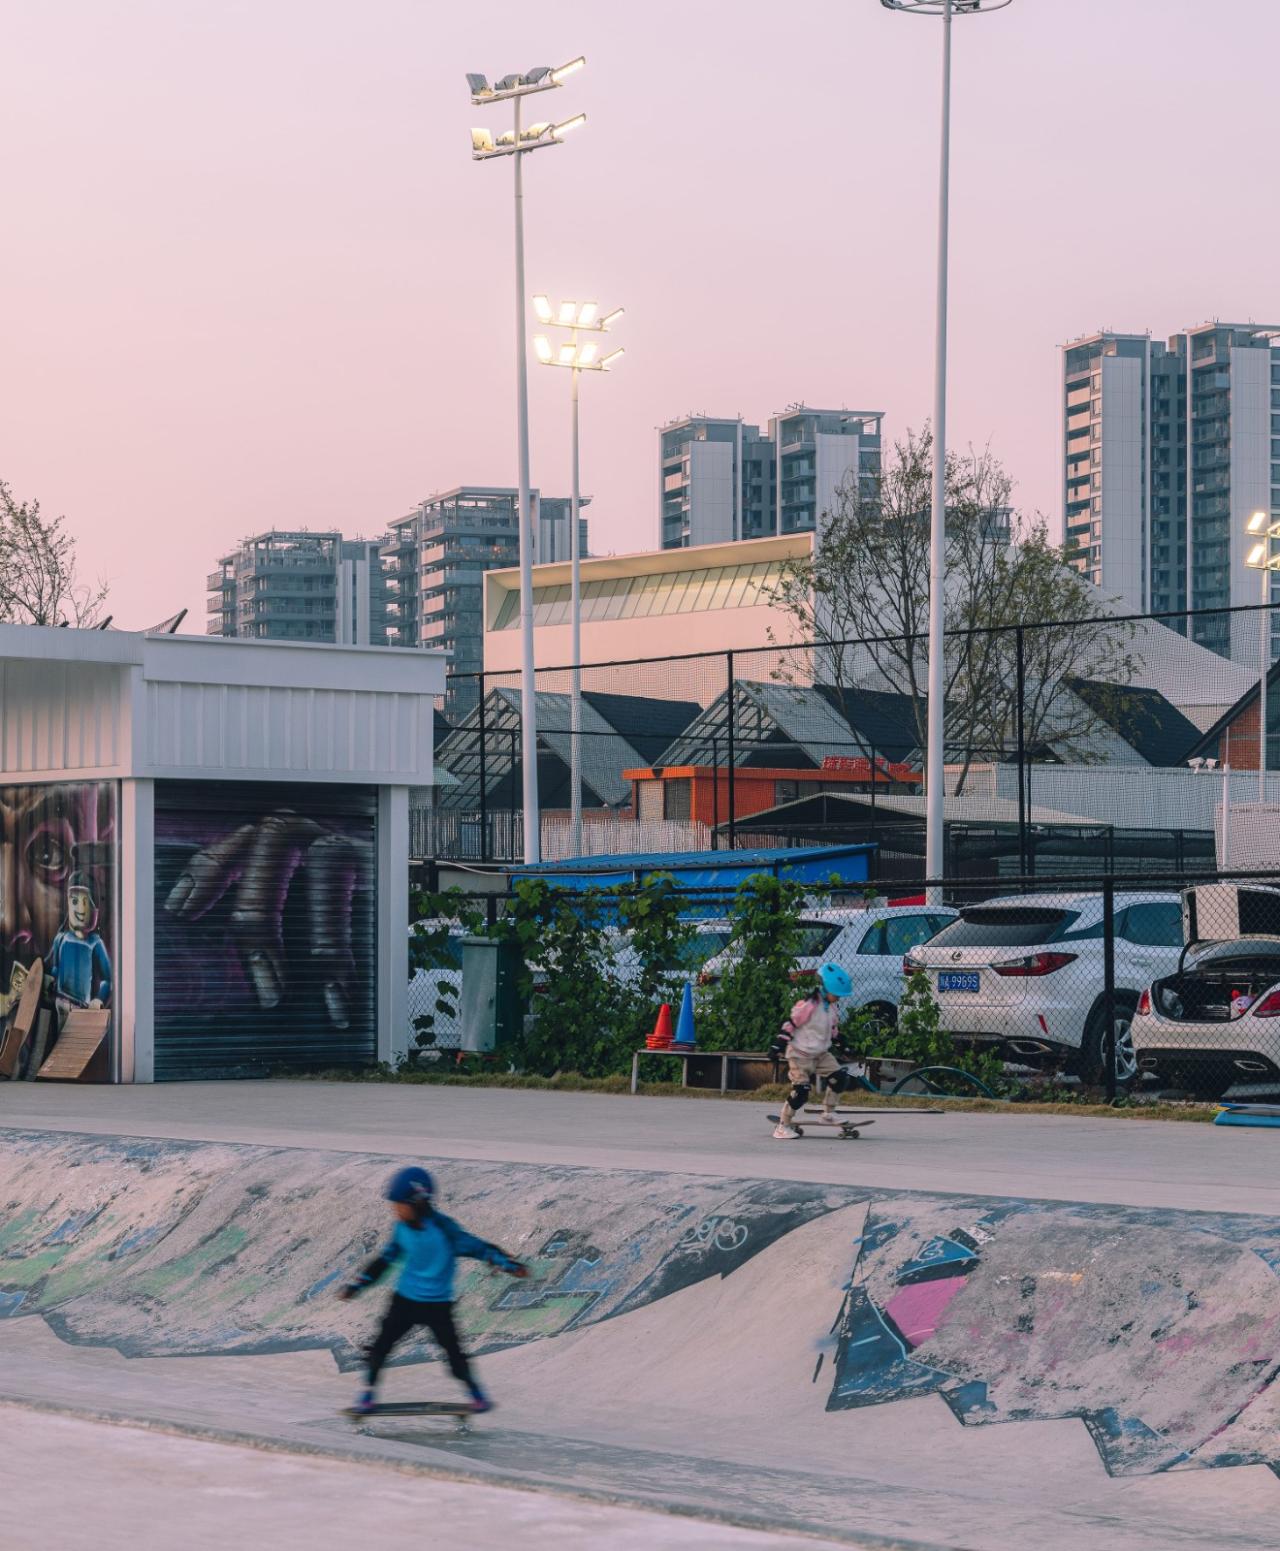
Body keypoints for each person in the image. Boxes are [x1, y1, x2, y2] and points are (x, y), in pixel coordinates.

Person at [337, 1165, 527, 1415]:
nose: (395, 1210)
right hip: (405, 1301)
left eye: (399, 1204)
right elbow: (385, 1260)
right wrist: (357, 1285)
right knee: (380, 1347)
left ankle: (477, 1396)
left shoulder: (445, 1231)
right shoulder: (401, 1229)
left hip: (438, 1306)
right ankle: (367, 1396)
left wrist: (510, 1265)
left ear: (417, 1201)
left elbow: (479, 1248)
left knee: (454, 1356)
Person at [770, 962, 856, 1139]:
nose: (838, 999)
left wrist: (843, 1046)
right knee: (801, 1092)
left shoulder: (831, 1008)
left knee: (839, 1078)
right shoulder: (808, 1005)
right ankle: (782, 1125)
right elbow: (791, 1024)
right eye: (836, 995)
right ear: (826, 989)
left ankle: (828, 1114)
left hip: (820, 1054)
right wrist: (778, 1045)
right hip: (799, 1055)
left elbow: (833, 1031)